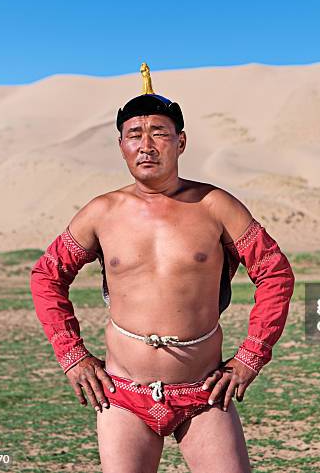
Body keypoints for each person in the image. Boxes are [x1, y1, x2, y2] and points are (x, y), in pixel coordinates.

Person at [30, 63, 295, 473]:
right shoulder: (101, 213)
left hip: (204, 393)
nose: (147, 145)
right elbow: (47, 275)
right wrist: (72, 355)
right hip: (121, 395)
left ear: (181, 142)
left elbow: (274, 271)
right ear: (121, 145)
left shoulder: (216, 206)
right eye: (134, 135)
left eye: (160, 133)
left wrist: (250, 356)